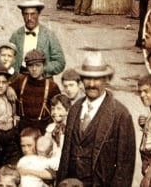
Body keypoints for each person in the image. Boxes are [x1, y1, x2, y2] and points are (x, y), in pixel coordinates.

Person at [55, 51, 136, 187]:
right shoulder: (75, 109)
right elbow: (66, 155)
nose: (92, 84)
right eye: (87, 78)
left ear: (105, 80)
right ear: (81, 80)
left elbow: (125, 167)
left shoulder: (120, 114)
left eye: (97, 79)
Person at [10, 50, 61, 135]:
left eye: (38, 65)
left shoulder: (52, 87)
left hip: (43, 129)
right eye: (30, 65)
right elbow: (4, 87)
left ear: (44, 66)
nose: (34, 69)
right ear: (26, 67)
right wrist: (9, 89)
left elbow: (59, 109)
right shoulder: (20, 81)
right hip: (23, 128)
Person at [9, 0, 65, 78]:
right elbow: (9, 59)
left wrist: (42, 69)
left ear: (38, 14)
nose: (29, 18)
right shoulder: (16, 35)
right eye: (26, 14)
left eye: (33, 14)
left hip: (42, 79)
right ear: (22, 15)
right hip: (21, 78)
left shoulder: (49, 35)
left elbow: (60, 62)